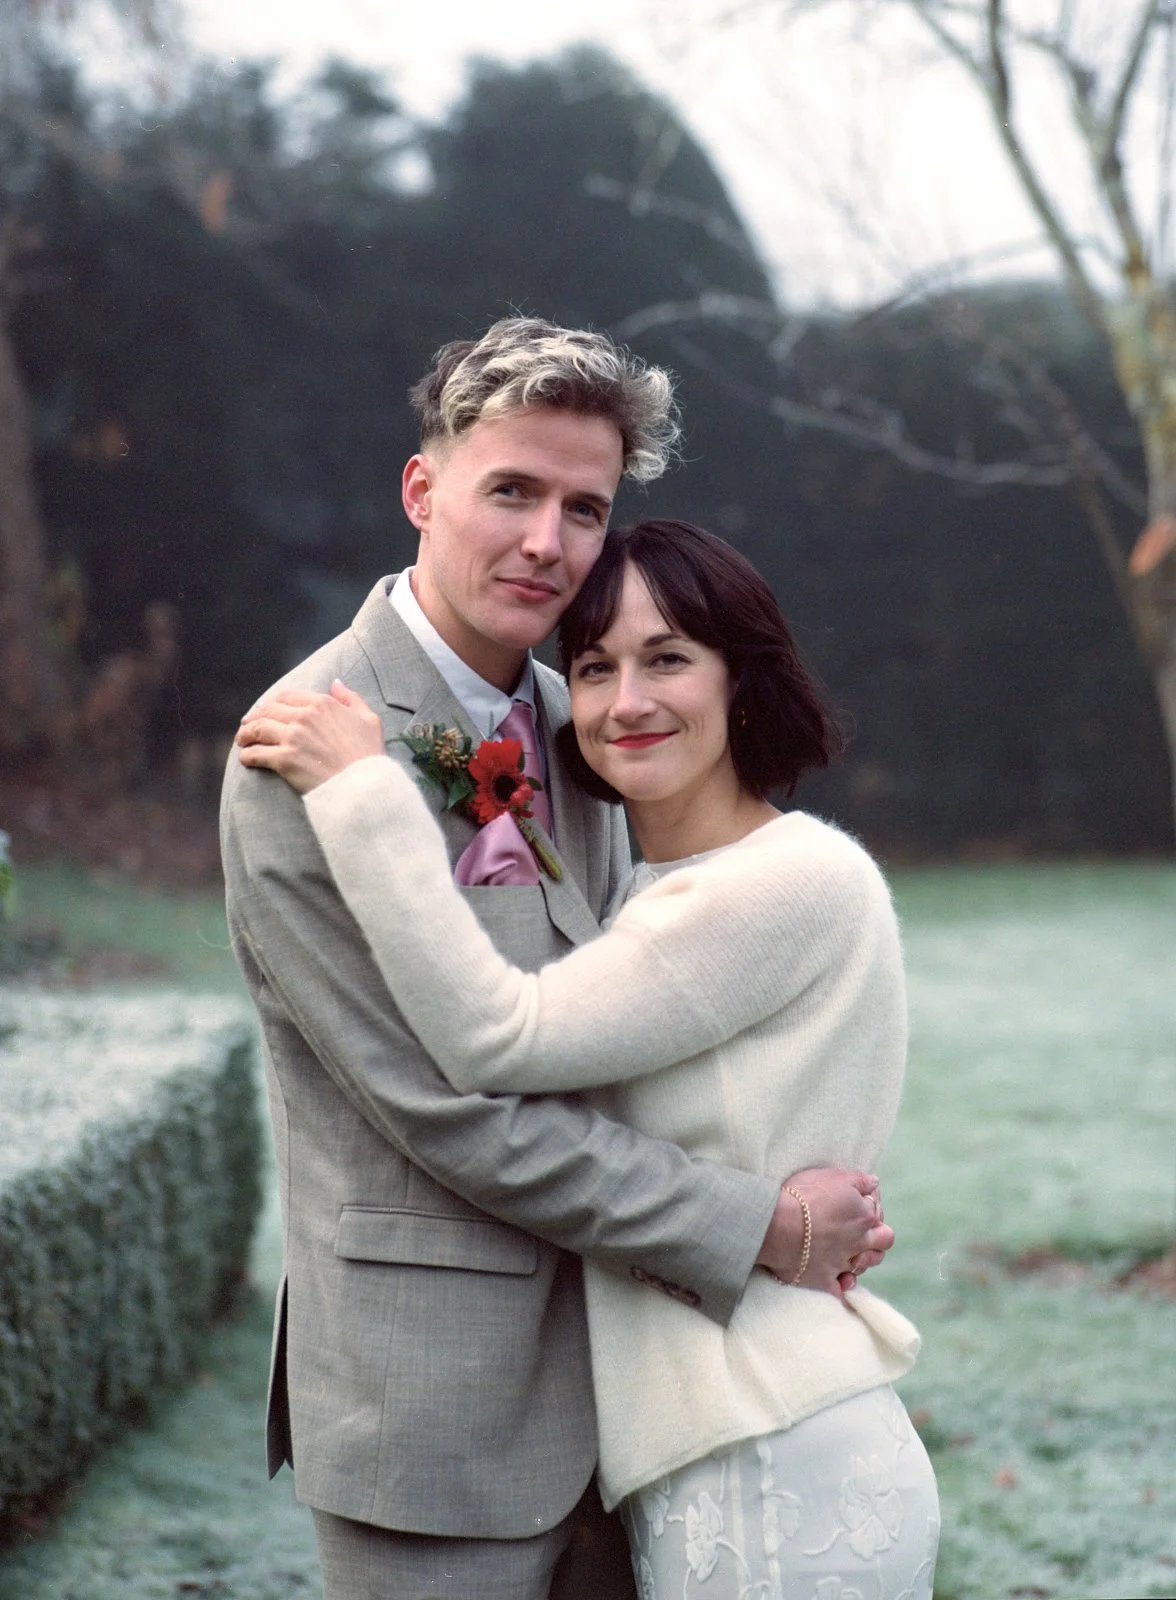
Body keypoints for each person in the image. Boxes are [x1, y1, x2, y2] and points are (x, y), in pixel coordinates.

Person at [221, 318, 895, 1600]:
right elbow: (451, 1108)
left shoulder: (583, 713)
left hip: (643, 1400)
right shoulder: (303, 752)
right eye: (512, 491)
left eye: (584, 508)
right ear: (422, 489)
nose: (548, 541)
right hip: (434, 1411)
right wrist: (758, 1224)